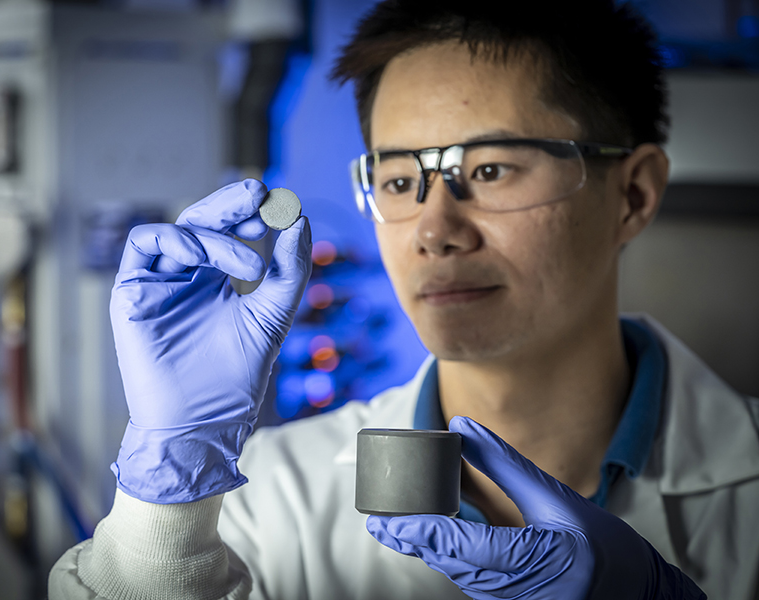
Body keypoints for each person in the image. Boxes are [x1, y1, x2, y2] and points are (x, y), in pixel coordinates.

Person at [49, 0, 759, 598]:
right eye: (397, 180)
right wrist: (170, 483)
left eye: (490, 169)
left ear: (633, 194)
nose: (434, 230)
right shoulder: (267, 498)